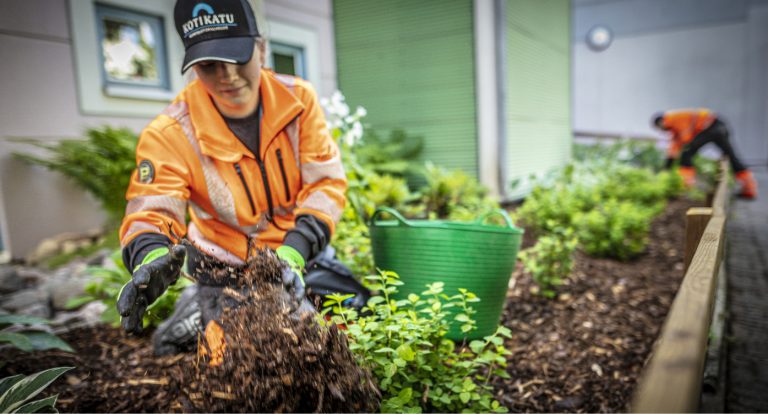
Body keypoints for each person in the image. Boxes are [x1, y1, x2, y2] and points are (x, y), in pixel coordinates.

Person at [116, 0, 369, 355]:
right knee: (248, 356)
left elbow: (325, 184)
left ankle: (205, 310)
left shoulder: (299, 102)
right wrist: (149, 256)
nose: (228, 76)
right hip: (225, 269)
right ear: (192, 66)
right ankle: (197, 313)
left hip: (298, 254)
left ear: (261, 48)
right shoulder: (170, 132)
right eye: (209, 65)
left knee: (356, 314)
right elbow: (152, 207)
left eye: (238, 56)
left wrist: (294, 254)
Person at [652, 108, 758, 199]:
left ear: (661, 123)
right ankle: (749, 187)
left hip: (710, 128)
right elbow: (676, 142)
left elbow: (684, 139)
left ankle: (686, 185)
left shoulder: (672, 119)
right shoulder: (674, 121)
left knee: (686, 154)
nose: (662, 131)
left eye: (659, 128)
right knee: (731, 156)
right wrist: (670, 158)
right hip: (719, 125)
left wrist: (668, 164)